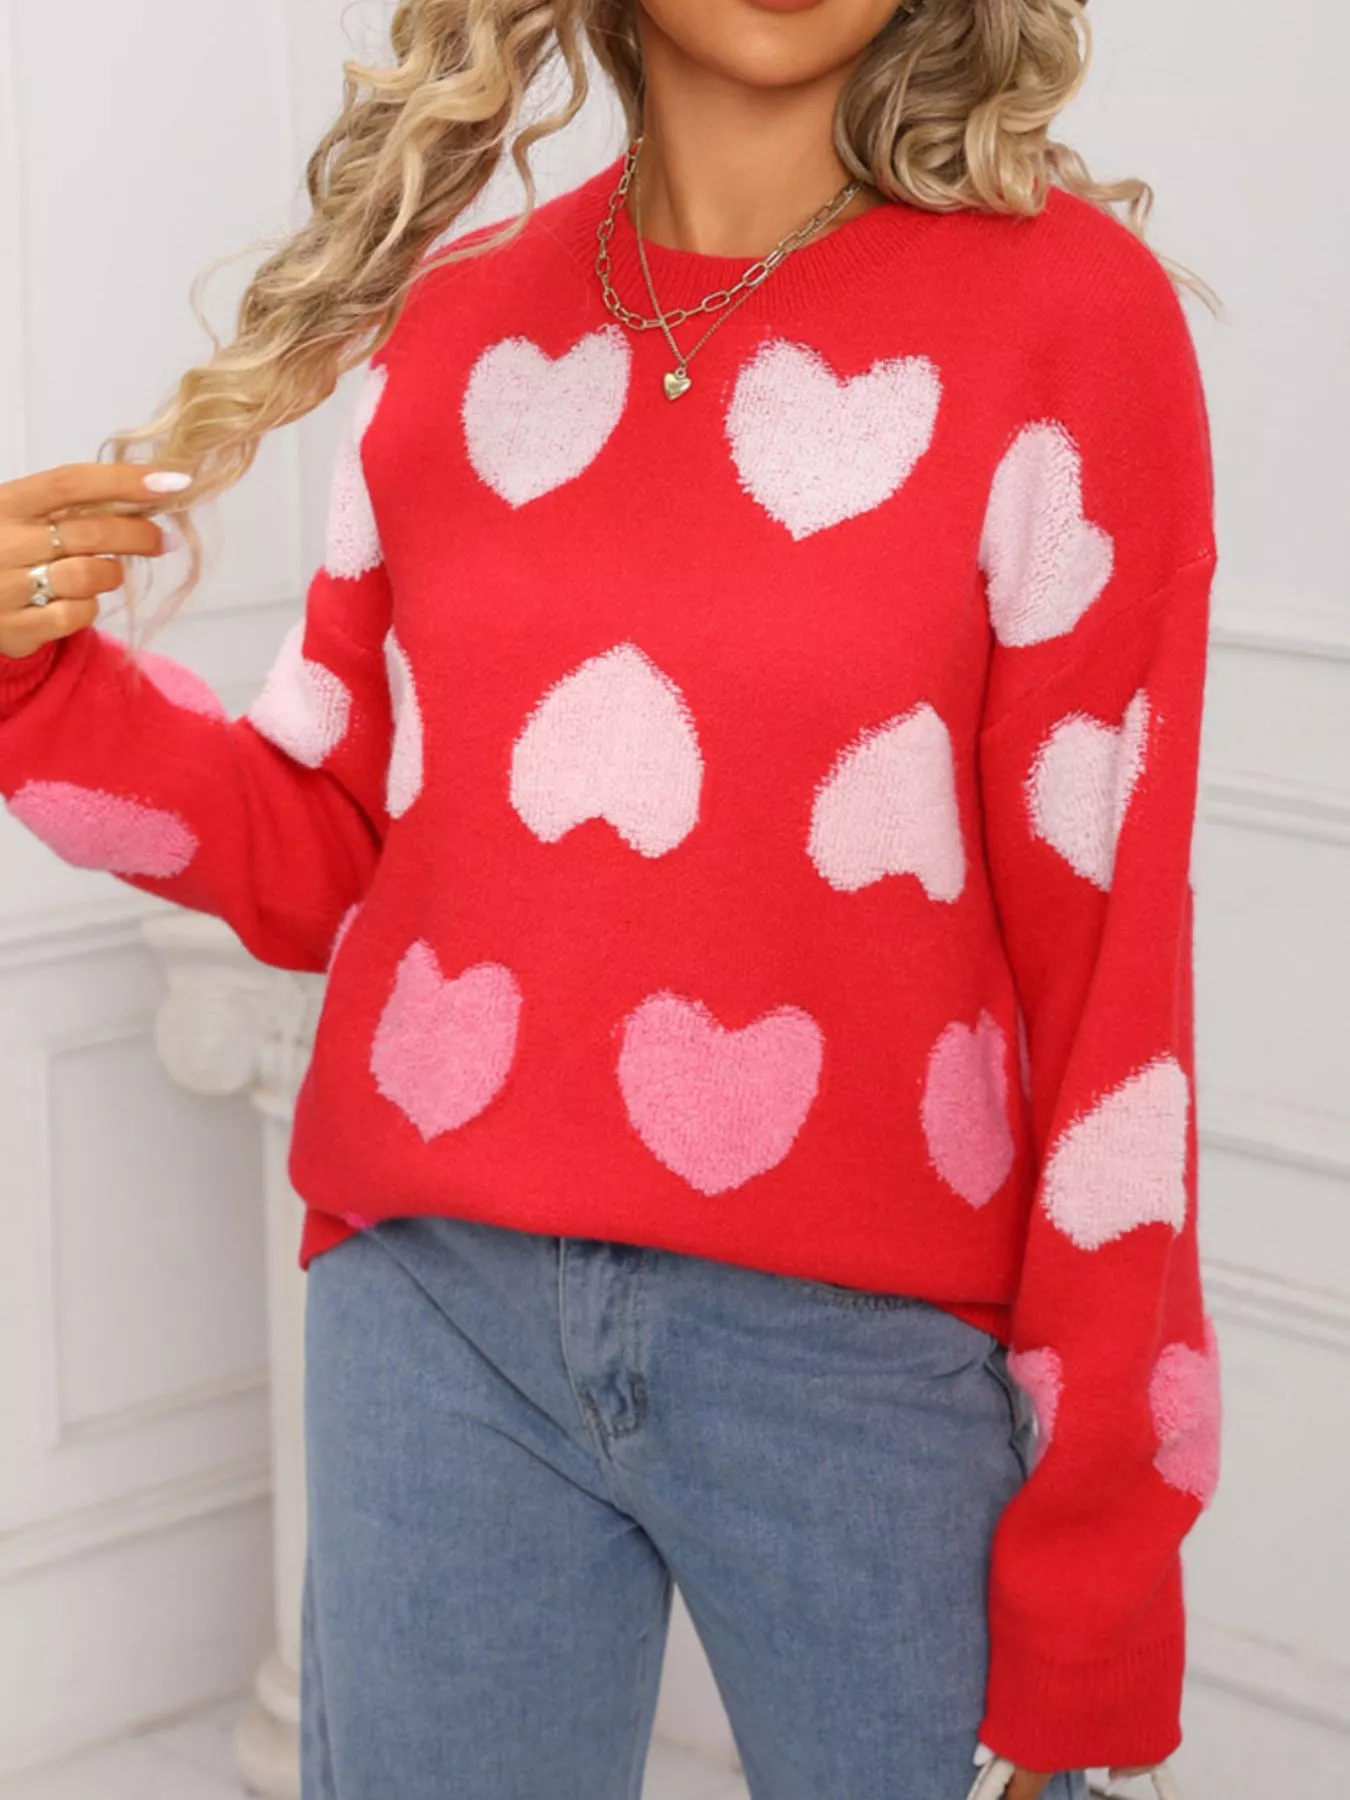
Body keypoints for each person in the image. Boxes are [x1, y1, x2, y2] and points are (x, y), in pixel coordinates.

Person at [0, 2, 1222, 1796]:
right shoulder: (456, 321)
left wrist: (1095, 1558)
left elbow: (1114, 985)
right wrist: (30, 682)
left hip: (871, 1359)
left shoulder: (1065, 316)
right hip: (438, 1317)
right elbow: (327, 846)